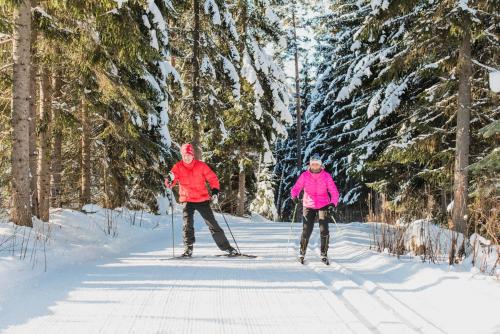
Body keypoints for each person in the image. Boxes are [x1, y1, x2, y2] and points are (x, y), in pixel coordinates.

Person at [165, 143, 238, 257]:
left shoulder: (201, 166)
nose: (187, 157)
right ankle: (188, 250)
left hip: (201, 199)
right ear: (182, 156)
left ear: (192, 155)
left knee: (212, 224)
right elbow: (170, 182)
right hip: (187, 199)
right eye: (184, 155)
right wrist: (169, 180)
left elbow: (213, 178)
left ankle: (227, 248)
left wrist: (215, 192)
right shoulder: (177, 167)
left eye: (188, 155)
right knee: (187, 225)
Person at [290, 154, 339, 263]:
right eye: (313, 164)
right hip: (308, 204)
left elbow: (334, 191)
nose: (315, 166)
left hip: (323, 204)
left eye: (317, 164)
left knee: (324, 229)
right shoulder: (304, 176)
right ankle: (302, 252)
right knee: (307, 229)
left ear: (320, 165)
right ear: (310, 165)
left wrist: (332, 204)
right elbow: (296, 188)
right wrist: (294, 196)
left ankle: (324, 253)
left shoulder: (326, 176)